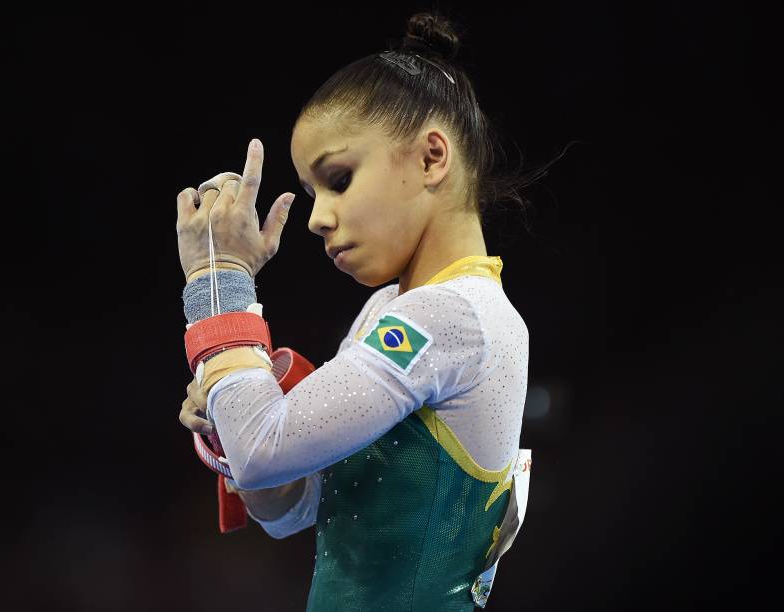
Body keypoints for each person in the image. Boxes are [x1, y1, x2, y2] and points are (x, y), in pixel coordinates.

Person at [176, 10, 556, 611]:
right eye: (311, 193)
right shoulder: (392, 309)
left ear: (433, 157)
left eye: (340, 178)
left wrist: (217, 283)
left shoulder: (452, 317)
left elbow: (263, 449)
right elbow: (289, 502)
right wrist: (231, 409)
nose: (318, 217)